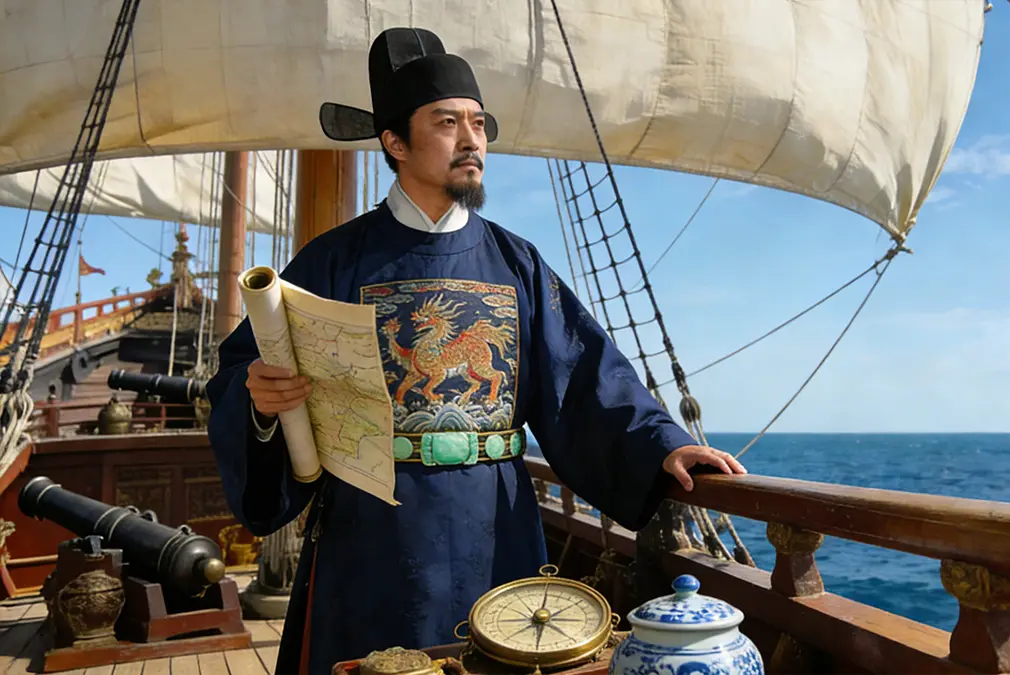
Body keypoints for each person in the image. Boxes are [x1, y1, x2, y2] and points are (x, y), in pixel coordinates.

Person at [206, 27, 746, 674]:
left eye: (479, 124)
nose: (472, 141)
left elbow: (582, 378)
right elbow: (241, 368)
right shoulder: (333, 260)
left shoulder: (517, 263)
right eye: (447, 123)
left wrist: (662, 445)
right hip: (371, 537)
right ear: (395, 143)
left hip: (499, 525)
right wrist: (258, 399)